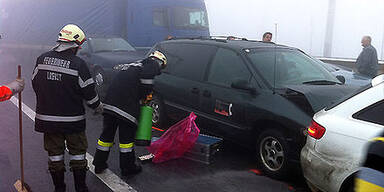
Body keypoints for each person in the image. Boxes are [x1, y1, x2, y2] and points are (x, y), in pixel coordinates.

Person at [32, 24, 103, 192]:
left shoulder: (42, 59)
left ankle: (59, 188)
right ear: (75, 45)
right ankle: (80, 187)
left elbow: (36, 84)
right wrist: (98, 107)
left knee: (54, 154)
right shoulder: (78, 64)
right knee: (78, 153)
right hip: (73, 121)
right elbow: (89, 93)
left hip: (47, 120)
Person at [92, 51, 167, 176]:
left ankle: (99, 164)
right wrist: (145, 96)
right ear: (159, 62)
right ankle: (128, 168)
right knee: (126, 142)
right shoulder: (151, 64)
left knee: (106, 137)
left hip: (109, 105)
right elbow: (147, 84)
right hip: (125, 108)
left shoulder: (133, 66)